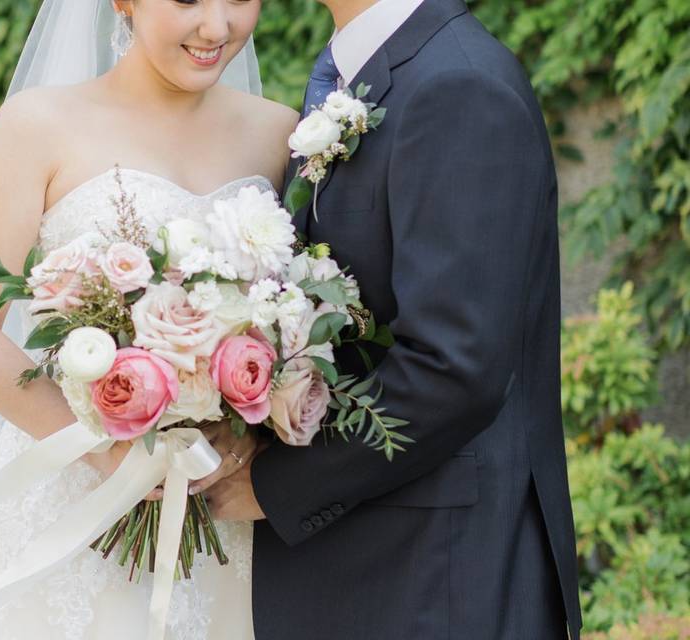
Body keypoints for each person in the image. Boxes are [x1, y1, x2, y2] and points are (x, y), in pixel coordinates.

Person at [204, 0, 584, 638]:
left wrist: (275, 486)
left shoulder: (459, 86)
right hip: (373, 569)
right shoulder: (369, 71)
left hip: (437, 577)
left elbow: (454, 367)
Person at [0, 0, 295, 638]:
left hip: (217, 508)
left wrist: (243, 425)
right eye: (186, 1)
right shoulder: (39, 124)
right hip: (69, 495)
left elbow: (290, 317)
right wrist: (108, 449)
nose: (218, 27)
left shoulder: (280, 133)